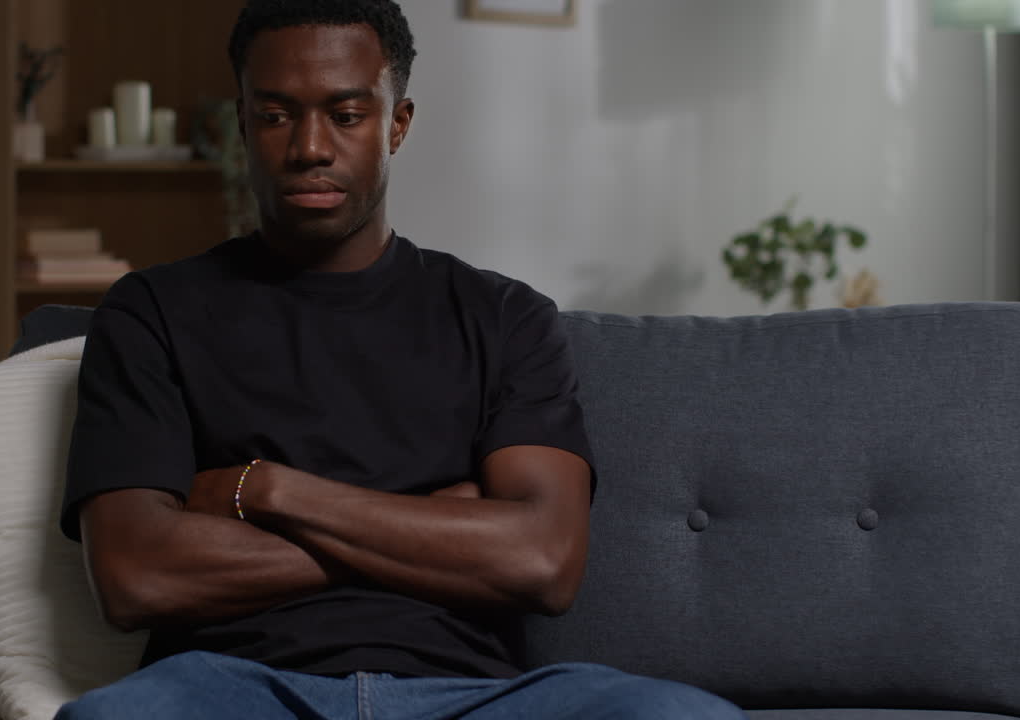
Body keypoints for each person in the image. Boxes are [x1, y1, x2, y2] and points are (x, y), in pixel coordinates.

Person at [57, 1, 747, 718]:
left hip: (472, 696)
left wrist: (268, 493)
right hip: (232, 688)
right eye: (276, 115)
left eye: (347, 114)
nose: (310, 147)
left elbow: (543, 561)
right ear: (242, 122)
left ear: (398, 123)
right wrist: (432, 526)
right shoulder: (150, 312)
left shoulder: (506, 317)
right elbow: (134, 577)